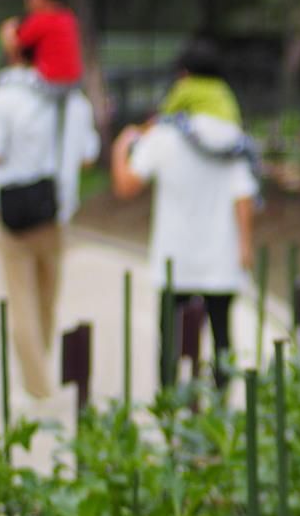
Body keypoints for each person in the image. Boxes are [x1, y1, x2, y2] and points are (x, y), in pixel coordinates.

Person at [110, 37, 259, 391]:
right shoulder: (233, 137)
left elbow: (126, 187)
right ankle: (220, 417)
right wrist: (246, 248)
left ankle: (170, 418)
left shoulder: (164, 135)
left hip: (174, 258)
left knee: (170, 345)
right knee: (222, 340)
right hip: (219, 257)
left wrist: (121, 147)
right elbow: (244, 197)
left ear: (183, 77)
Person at [0, 45, 99, 400]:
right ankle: (40, 374)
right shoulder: (75, 104)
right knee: (46, 302)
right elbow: (89, 157)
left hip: (14, 215)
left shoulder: (6, 99)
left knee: (23, 302)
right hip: (57, 213)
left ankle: (37, 388)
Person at [0, 0, 83, 88]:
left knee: (4, 77)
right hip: (74, 81)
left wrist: (7, 29)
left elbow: (15, 46)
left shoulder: (41, 19)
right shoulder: (68, 17)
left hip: (50, 81)